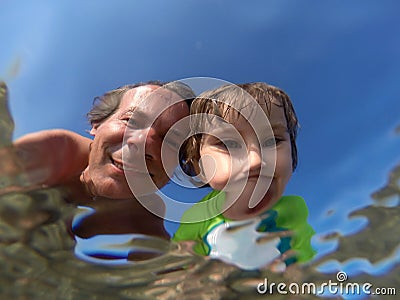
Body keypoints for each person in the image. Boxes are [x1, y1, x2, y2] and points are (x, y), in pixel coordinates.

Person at [3, 80, 195, 262]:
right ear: (97, 125)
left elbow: (159, 276)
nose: (145, 145)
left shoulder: (146, 213)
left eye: (171, 142)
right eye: (131, 121)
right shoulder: (56, 152)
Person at [172, 82, 315, 269]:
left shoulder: (293, 210)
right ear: (200, 167)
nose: (255, 161)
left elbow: (306, 268)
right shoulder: (198, 218)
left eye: (273, 140)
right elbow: (178, 265)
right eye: (229, 144)